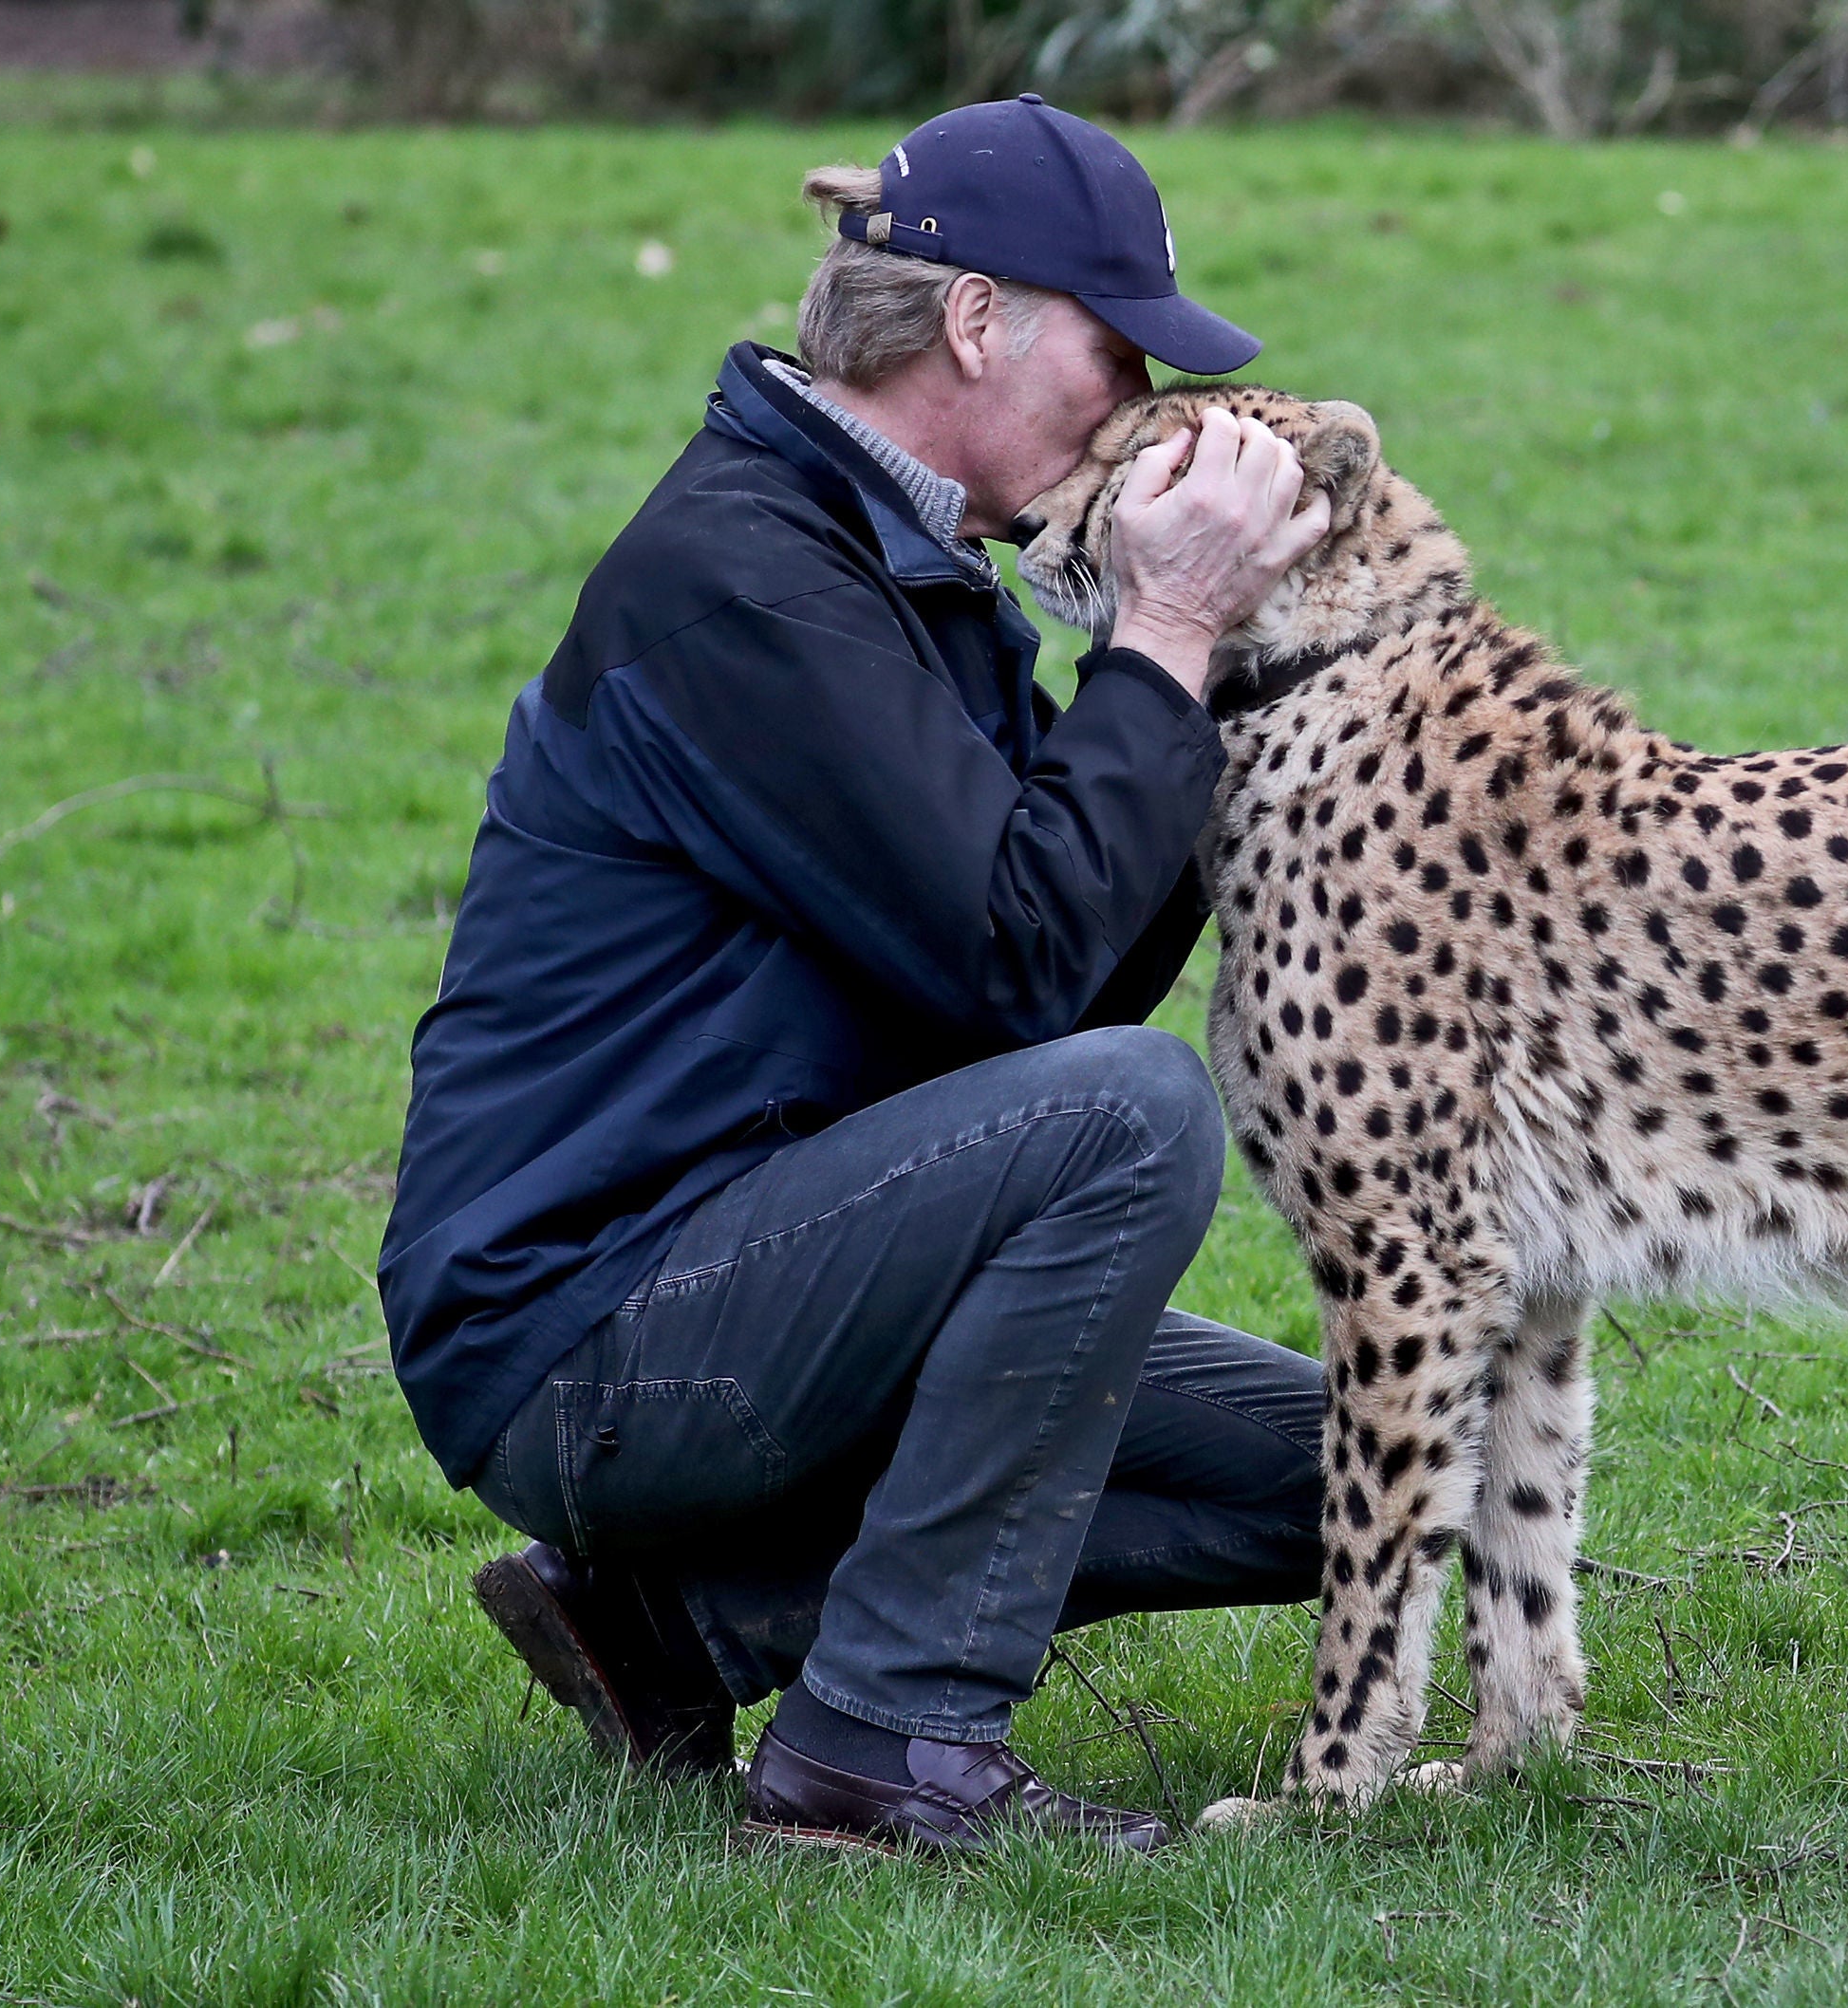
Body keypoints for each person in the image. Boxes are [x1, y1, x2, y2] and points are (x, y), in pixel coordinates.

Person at [378, 97, 1333, 1856]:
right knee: (1129, 1120)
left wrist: (1233, 666)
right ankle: (881, 1754)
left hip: (764, 1264)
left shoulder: (908, 558)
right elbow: (1024, 971)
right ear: (978, 323)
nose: (1141, 416)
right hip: (583, 1332)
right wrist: (1163, 633)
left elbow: (1055, 970)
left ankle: (678, 1627)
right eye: (1119, 362)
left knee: (1352, 1476)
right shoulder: (747, 579)